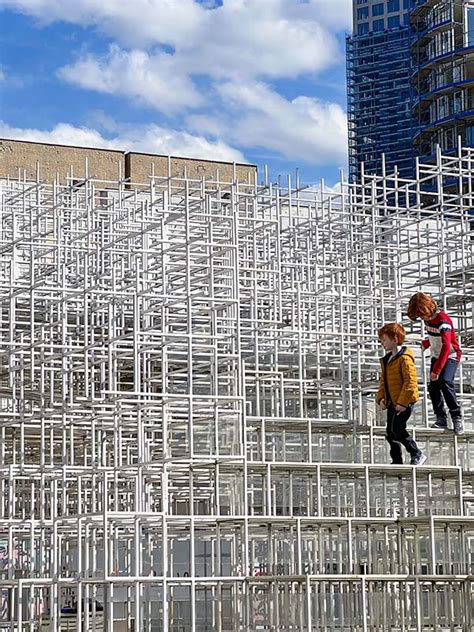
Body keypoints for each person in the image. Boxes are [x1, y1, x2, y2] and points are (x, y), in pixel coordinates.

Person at [407, 292, 463, 435]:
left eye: (422, 315)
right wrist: (426, 343)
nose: (422, 318)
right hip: (436, 354)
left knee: (445, 381)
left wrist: (437, 370)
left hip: (450, 354)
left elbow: (446, 345)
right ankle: (441, 418)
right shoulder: (428, 321)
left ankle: (456, 416)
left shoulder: (443, 320)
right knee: (433, 387)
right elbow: (434, 336)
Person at [376, 323, 427, 465]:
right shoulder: (387, 360)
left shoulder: (404, 358)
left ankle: (416, 453)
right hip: (393, 401)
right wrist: (380, 398)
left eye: (385, 340)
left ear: (395, 339)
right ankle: (397, 460)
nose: (383, 343)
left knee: (397, 429)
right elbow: (383, 382)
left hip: (404, 402)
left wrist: (402, 403)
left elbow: (410, 382)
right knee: (390, 433)